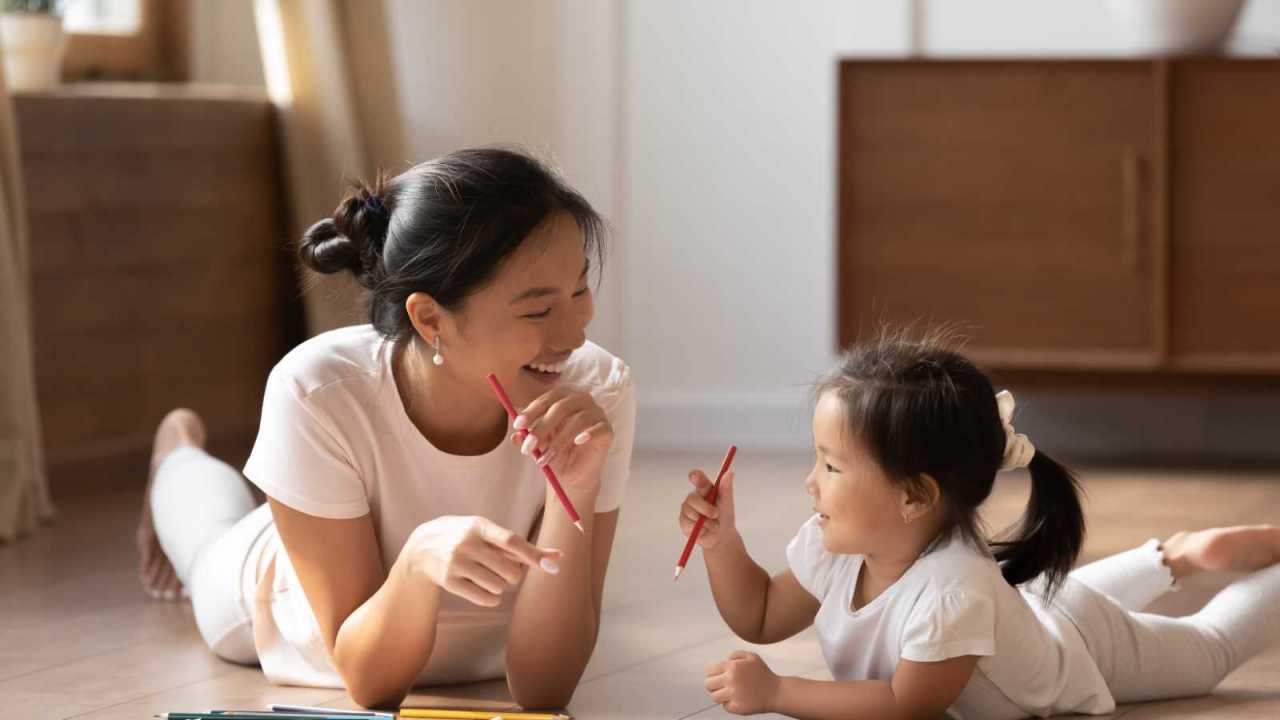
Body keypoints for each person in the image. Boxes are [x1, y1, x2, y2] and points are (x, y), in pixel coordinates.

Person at [136, 147, 635, 709]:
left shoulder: (596, 388)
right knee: (206, 541)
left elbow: (545, 691)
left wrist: (577, 488)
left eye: (579, 290)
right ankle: (176, 452)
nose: (573, 333)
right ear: (430, 318)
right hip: (283, 607)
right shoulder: (318, 391)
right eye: (538, 312)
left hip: (476, 649)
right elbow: (371, 683)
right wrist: (418, 560)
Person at [680, 332, 1280, 718]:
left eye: (832, 465)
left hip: (1080, 648)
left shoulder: (953, 591)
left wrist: (780, 692)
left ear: (915, 497)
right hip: (1033, 609)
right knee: (1057, 604)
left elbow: (904, 704)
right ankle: (1175, 557)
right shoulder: (839, 545)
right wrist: (720, 541)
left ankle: (1190, 560)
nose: (810, 481)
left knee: (1209, 647)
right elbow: (759, 614)